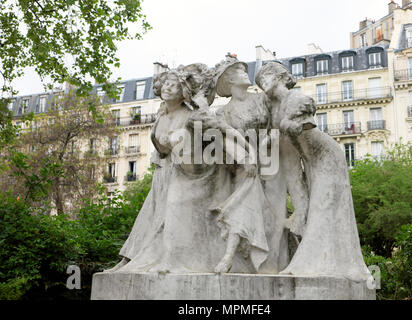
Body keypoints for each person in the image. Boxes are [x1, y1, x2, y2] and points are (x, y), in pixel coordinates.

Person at [107, 63, 231, 273]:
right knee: (149, 216)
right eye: (166, 84)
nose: (167, 88)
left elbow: (202, 144)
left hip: (182, 175)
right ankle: (130, 259)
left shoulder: (189, 115)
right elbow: (161, 147)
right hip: (162, 172)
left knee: (162, 217)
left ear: (183, 92)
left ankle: (160, 258)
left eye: (173, 85)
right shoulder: (161, 115)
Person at [256, 61, 371, 282]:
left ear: (279, 76)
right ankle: (321, 263)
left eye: (265, 77)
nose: (262, 83)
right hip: (309, 161)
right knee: (319, 206)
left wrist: (280, 131)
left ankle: (313, 264)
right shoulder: (275, 108)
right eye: (259, 81)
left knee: (325, 207)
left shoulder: (298, 99)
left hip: (326, 157)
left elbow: (301, 126)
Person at [205, 55, 286, 274]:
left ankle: (273, 262)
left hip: (272, 161)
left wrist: (262, 149)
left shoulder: (262, 100)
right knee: (245, 201)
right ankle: (230, 256)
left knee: (274, 217)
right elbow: (225, 141)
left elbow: (278, 126)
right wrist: (246, 158)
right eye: (240, 71)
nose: (245, 73)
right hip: (245, 167)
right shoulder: (223, 112)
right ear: (230, 81)